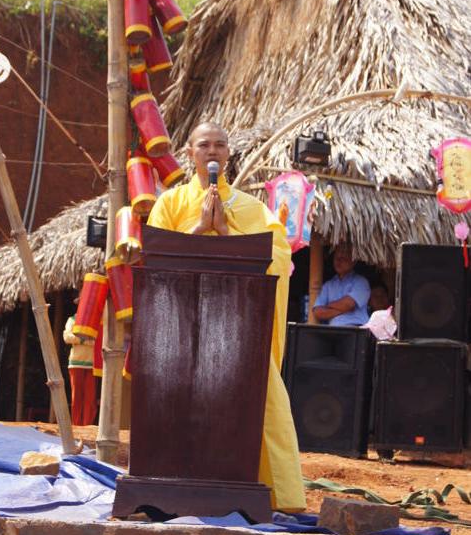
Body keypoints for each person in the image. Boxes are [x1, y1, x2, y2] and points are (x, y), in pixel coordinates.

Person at [147, 121, 306, 512]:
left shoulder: (251, 208)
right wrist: (201, 229)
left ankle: (277, 493)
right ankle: (170, 484)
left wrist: (229, 232)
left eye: (220, 145)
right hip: (181, 326)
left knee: (264, 396)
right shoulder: (170, 204)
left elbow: (280, 256)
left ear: (229, 154)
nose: (212, 152)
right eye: (204, 145)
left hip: (239, 327)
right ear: (191, 153)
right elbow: (153, 256)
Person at [313, 242, 370, 326]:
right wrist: (342, 309)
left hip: (356, 328)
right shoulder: (328, 285)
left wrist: (328, 306)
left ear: (353, 261)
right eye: (336, 258)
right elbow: (317, 312)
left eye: (343, 259)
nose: (339, 262)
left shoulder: (361, 282)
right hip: (334, 330)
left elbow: (348, 304)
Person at [62, 301, 98, 427]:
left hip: (92, 363)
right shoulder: (72, 319)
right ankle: (76, 426)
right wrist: (85, 340)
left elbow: (99, 339)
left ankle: (87, 427)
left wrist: (80, 340)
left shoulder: (97, 319)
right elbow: (67, 337)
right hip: (76, 363)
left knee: (90, 399)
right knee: (76, 397)